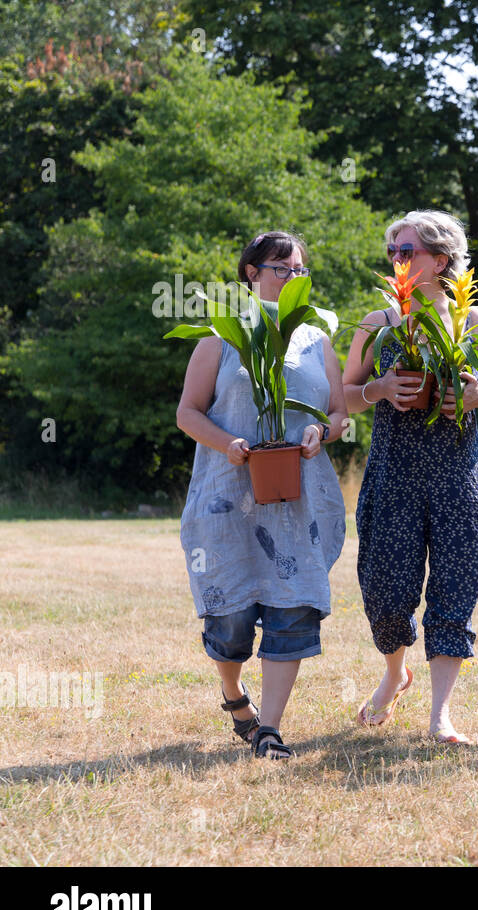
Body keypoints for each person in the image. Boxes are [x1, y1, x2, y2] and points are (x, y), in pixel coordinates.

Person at [341, 210, 478, 745]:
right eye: (393, 251)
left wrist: (474, 396)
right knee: (385, 593)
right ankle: (395, 673)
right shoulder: (378, 322)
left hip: (457, 474)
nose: (397, 259)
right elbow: (343, 395)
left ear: (441, 261)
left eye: (407, 250)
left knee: (454, 589)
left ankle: (440, 715)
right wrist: (381, 389)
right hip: (392, 472)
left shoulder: (473, 322)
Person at [177, 231, 348, 759]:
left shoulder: (316, 341)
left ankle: (270, 728)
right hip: (228, 494)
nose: (291, 278)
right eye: (280, 267)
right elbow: (187, 412)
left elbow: (339, 412)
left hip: (299, 499)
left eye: (299, 270)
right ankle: (233, 695)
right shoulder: (218, 339)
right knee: (229, 620)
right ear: (251, 272)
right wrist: (227, 442)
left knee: (292, 607)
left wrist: (325, 431)